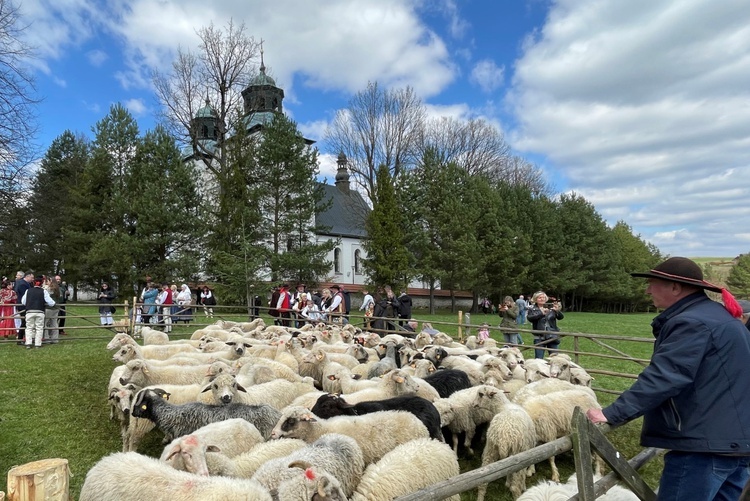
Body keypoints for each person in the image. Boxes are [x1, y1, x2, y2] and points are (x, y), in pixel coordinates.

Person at [586, 257, 750, 501]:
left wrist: (612, 413)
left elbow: (666, 375)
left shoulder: (692, 322)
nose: (647, 289)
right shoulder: (718, 316)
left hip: (703, 447)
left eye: (653, 283)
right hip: (733, 441)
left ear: (675, 287)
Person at [526, 291, 563, 358]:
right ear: (535, 299)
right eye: (540, 298)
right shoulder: (532, 309)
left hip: (552, 336)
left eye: (543, 297)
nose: (542, 299)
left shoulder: (551, 308)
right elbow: (530, 318)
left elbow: (561, 317)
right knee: (539, 359)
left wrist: (557, 311)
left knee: (555, 358)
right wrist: (541, 314)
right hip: (539, 337)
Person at [22, 277, 55, 348]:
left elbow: (23, 301)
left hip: (29, 311)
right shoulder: (44, 291)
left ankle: (28, 343)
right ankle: (38, 344)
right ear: (42, 283)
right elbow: (51, 303)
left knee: (29, 328)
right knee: (39, 328)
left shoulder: (28, 291)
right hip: (40, 311)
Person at [14, 271, 33, 344]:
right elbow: (24, 296)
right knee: (24, 322)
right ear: (27, 276)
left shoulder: (24, 283)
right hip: (23, 305)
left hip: (24, 305)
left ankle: (23, 338)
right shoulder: (22, 284)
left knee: (25, 322)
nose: (32, 279)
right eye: (31, 277)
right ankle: (20, 338)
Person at [44, 276, 61, 343]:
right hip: (56, 307)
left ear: (50, 281)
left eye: (47, 281)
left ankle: (46, 338)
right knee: (54, 323)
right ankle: (55, 339)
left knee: (44, 323)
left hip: (49, 308)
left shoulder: (49, 289)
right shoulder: (57, 288)